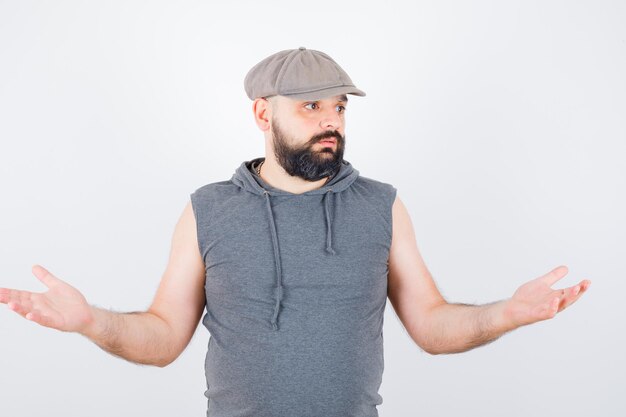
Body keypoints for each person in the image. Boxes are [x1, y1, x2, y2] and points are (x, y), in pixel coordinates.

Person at [0, 47, 591, 417]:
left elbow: (433, 325)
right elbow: (161, 338)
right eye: (311, 107)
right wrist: (88, 323)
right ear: (264, 114)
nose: (330, 121)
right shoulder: (209, 209)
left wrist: (508, 313)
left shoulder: (381, 206)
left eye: (338, 107)